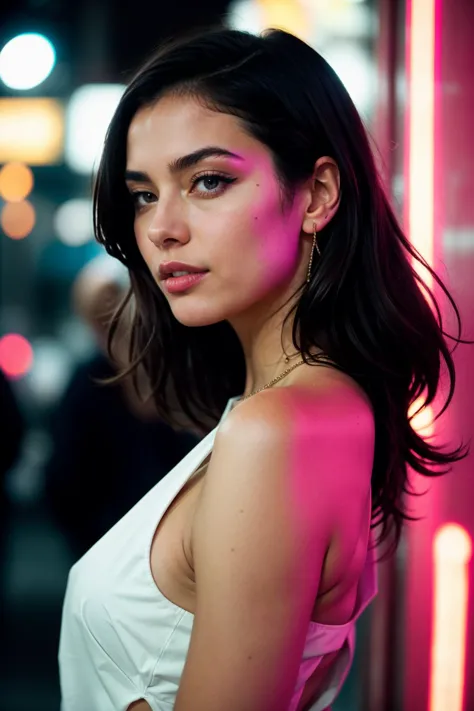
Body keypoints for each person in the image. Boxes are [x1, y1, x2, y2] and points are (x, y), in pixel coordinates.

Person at [58, 26, 467, 711]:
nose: (161, 227)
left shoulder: (279, 428)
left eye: (207, 180)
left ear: (315, 195)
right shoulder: (312, 408)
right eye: (144, 194)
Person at [44, 256, 199, 560]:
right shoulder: (90, 380)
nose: (112, 322)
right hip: (111, 541)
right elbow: (65, 478)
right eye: (102, 316)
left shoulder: (178, 372)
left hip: (163, 543)